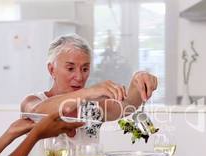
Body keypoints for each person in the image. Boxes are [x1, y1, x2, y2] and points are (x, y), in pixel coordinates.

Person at [21, 33, 158, 122]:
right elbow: (37, 112)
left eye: (85, 69)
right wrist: (89, 92)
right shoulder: (33, 101)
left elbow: (129, 105)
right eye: (70, 68)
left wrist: (138, 81)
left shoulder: (92, 107)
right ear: (51, 70)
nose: (80, 77)